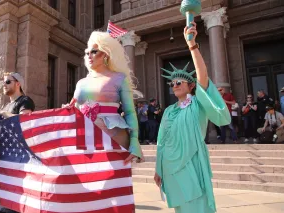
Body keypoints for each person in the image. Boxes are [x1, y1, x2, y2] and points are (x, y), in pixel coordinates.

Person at [154, 22, 231, 213]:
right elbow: (161, 141)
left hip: (191, 163)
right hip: (170, 167)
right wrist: (158, 168)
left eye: (179, 82)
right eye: (172, 83)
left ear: (191, 86)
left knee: (197, 206)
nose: (175, 85)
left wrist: (192, 46)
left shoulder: (198, 104)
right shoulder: (169, 111)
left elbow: (203, 78)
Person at [64, 31, 144, 164]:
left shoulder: (119, 78)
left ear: (105, 53)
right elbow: (76, 110)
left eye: (94, 51)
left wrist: (134, 141)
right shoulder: (81, 83)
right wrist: (68, 111)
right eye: (87, 52)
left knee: (113, 181)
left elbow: (130, 112)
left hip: (114, 137)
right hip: (84, 139)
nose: (89, 55)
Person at [0, 72, 35, 213]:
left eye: (7, 82)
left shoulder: (25, 101)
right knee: (6, 192)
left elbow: (24, 121)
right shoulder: (7, 105)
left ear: (18, 84)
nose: (4, 85)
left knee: (17, 196)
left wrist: (3, 116)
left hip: (19, 156)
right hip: (6, 156)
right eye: (3, 82)